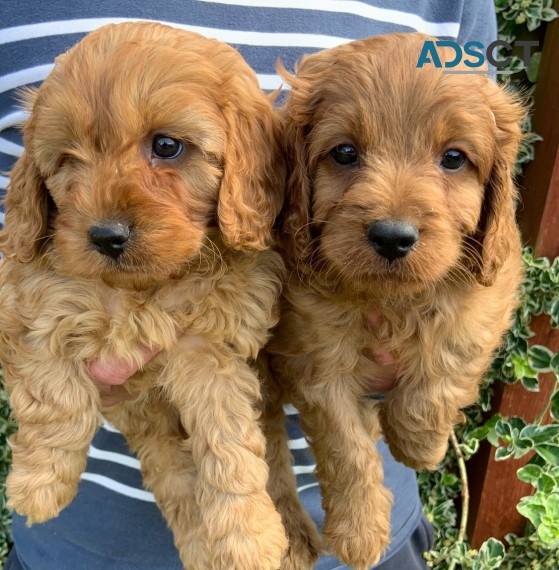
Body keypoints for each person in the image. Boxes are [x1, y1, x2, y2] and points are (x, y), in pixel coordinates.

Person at [0, 1, 497, 568]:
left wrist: (422, 383)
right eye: (346, 155)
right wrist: (43, 348)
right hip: (87, 541)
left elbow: (471, 121)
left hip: (367, 531)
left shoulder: (447, 11)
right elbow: (22, 234)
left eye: (167, 149)